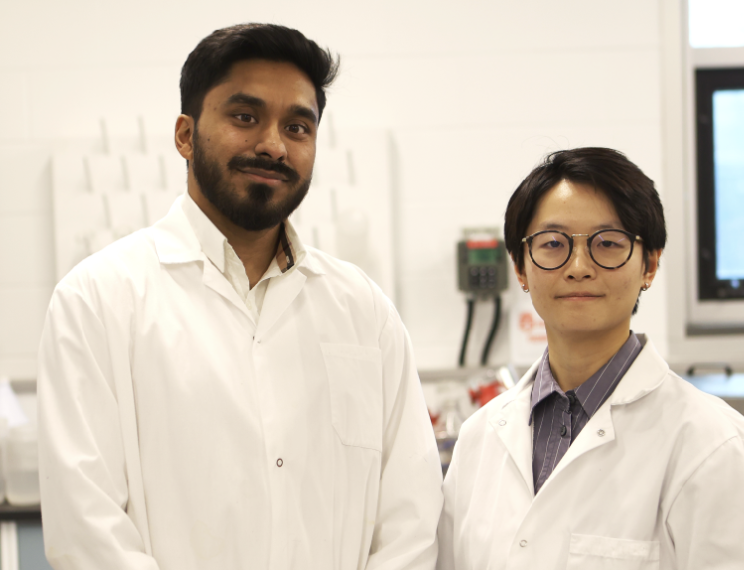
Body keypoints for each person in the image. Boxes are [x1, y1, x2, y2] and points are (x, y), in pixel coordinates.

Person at [37, 24, 443, 570]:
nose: (273, 145)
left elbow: (411, 516)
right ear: (185, 136)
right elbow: (87, 533)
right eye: (245, 117)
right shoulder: (98, 300)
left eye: (297, 127)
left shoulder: (364, 311)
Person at [436, 148, 744, 569]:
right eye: (552, 244)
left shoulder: (710, 442)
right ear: (520, 267)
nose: (578, 267)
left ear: (650, 264)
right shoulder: (479, 440)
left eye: (607, 243)